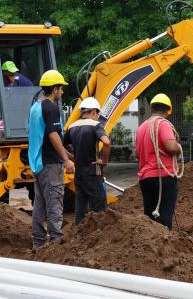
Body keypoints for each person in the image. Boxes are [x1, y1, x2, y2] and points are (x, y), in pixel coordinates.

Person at [28, 70, 75, 251]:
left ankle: (38, 243)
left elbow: (43, 136)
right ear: (54, 89)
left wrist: (68, 155)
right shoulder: (51, 107)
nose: (62, 92)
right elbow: (53, 134)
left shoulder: (35, 107)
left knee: (39, 205)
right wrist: (66, 160)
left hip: (38, 163)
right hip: (50, 164)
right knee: (55, 202)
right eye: (61, 89)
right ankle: (56, 244)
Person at [135, 93, 183, 230]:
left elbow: (137, 154)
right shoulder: (163, 124)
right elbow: (171, 147)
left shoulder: (141, 127)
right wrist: (178, 147)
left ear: (151, 109)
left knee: (150, 217)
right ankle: (165, 245)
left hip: (145, 179)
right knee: (165, 215)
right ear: (168, 111)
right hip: (163, 178)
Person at [64, 97, 111, 224]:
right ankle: (101, 234)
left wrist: (73, 158)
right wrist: (104, 161)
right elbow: (106, 143)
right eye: (98, 114)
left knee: (80, 208)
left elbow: (60, 146)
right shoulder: (95, 125)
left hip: (78, 174)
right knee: (100, 207)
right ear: (94, 112)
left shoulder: (72, 127)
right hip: (92, 172)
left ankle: (79, 235)